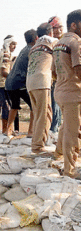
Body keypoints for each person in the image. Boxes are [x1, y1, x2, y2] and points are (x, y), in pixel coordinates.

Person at [53, 9, 81, 178]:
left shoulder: (58, 43)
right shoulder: (76, 41)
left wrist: (64, 79)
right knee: (72, 131)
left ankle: (58, 153)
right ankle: (69, 171)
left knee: (66, 126)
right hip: (73, 93)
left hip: (60, 91)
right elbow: (79, 69)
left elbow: (54, 72)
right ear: (74, 25)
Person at [26, 23, 57, 154]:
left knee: (40, 114)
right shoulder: (53, 41)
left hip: (30, 82)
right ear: (51, 32)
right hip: (42, 80)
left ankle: (37, 142)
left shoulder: (34, 46)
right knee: (44, 115)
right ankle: (38, 146)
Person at [4, 29, 38, 136]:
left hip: (10, 83)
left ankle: (7, 131)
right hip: (19, 83)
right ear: (36, 38)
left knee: (14, 107)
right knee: (34, 106)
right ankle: (31, 132)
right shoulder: (33, 50)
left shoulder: (24, 50)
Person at [48, 16, 64, 133]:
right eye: (55, 28)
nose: (58, 30)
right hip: (56, 80)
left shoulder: (67, 40)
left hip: (67, 79)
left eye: (60, 27)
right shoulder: (52, 42)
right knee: (55, 107)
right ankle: (55, 132)